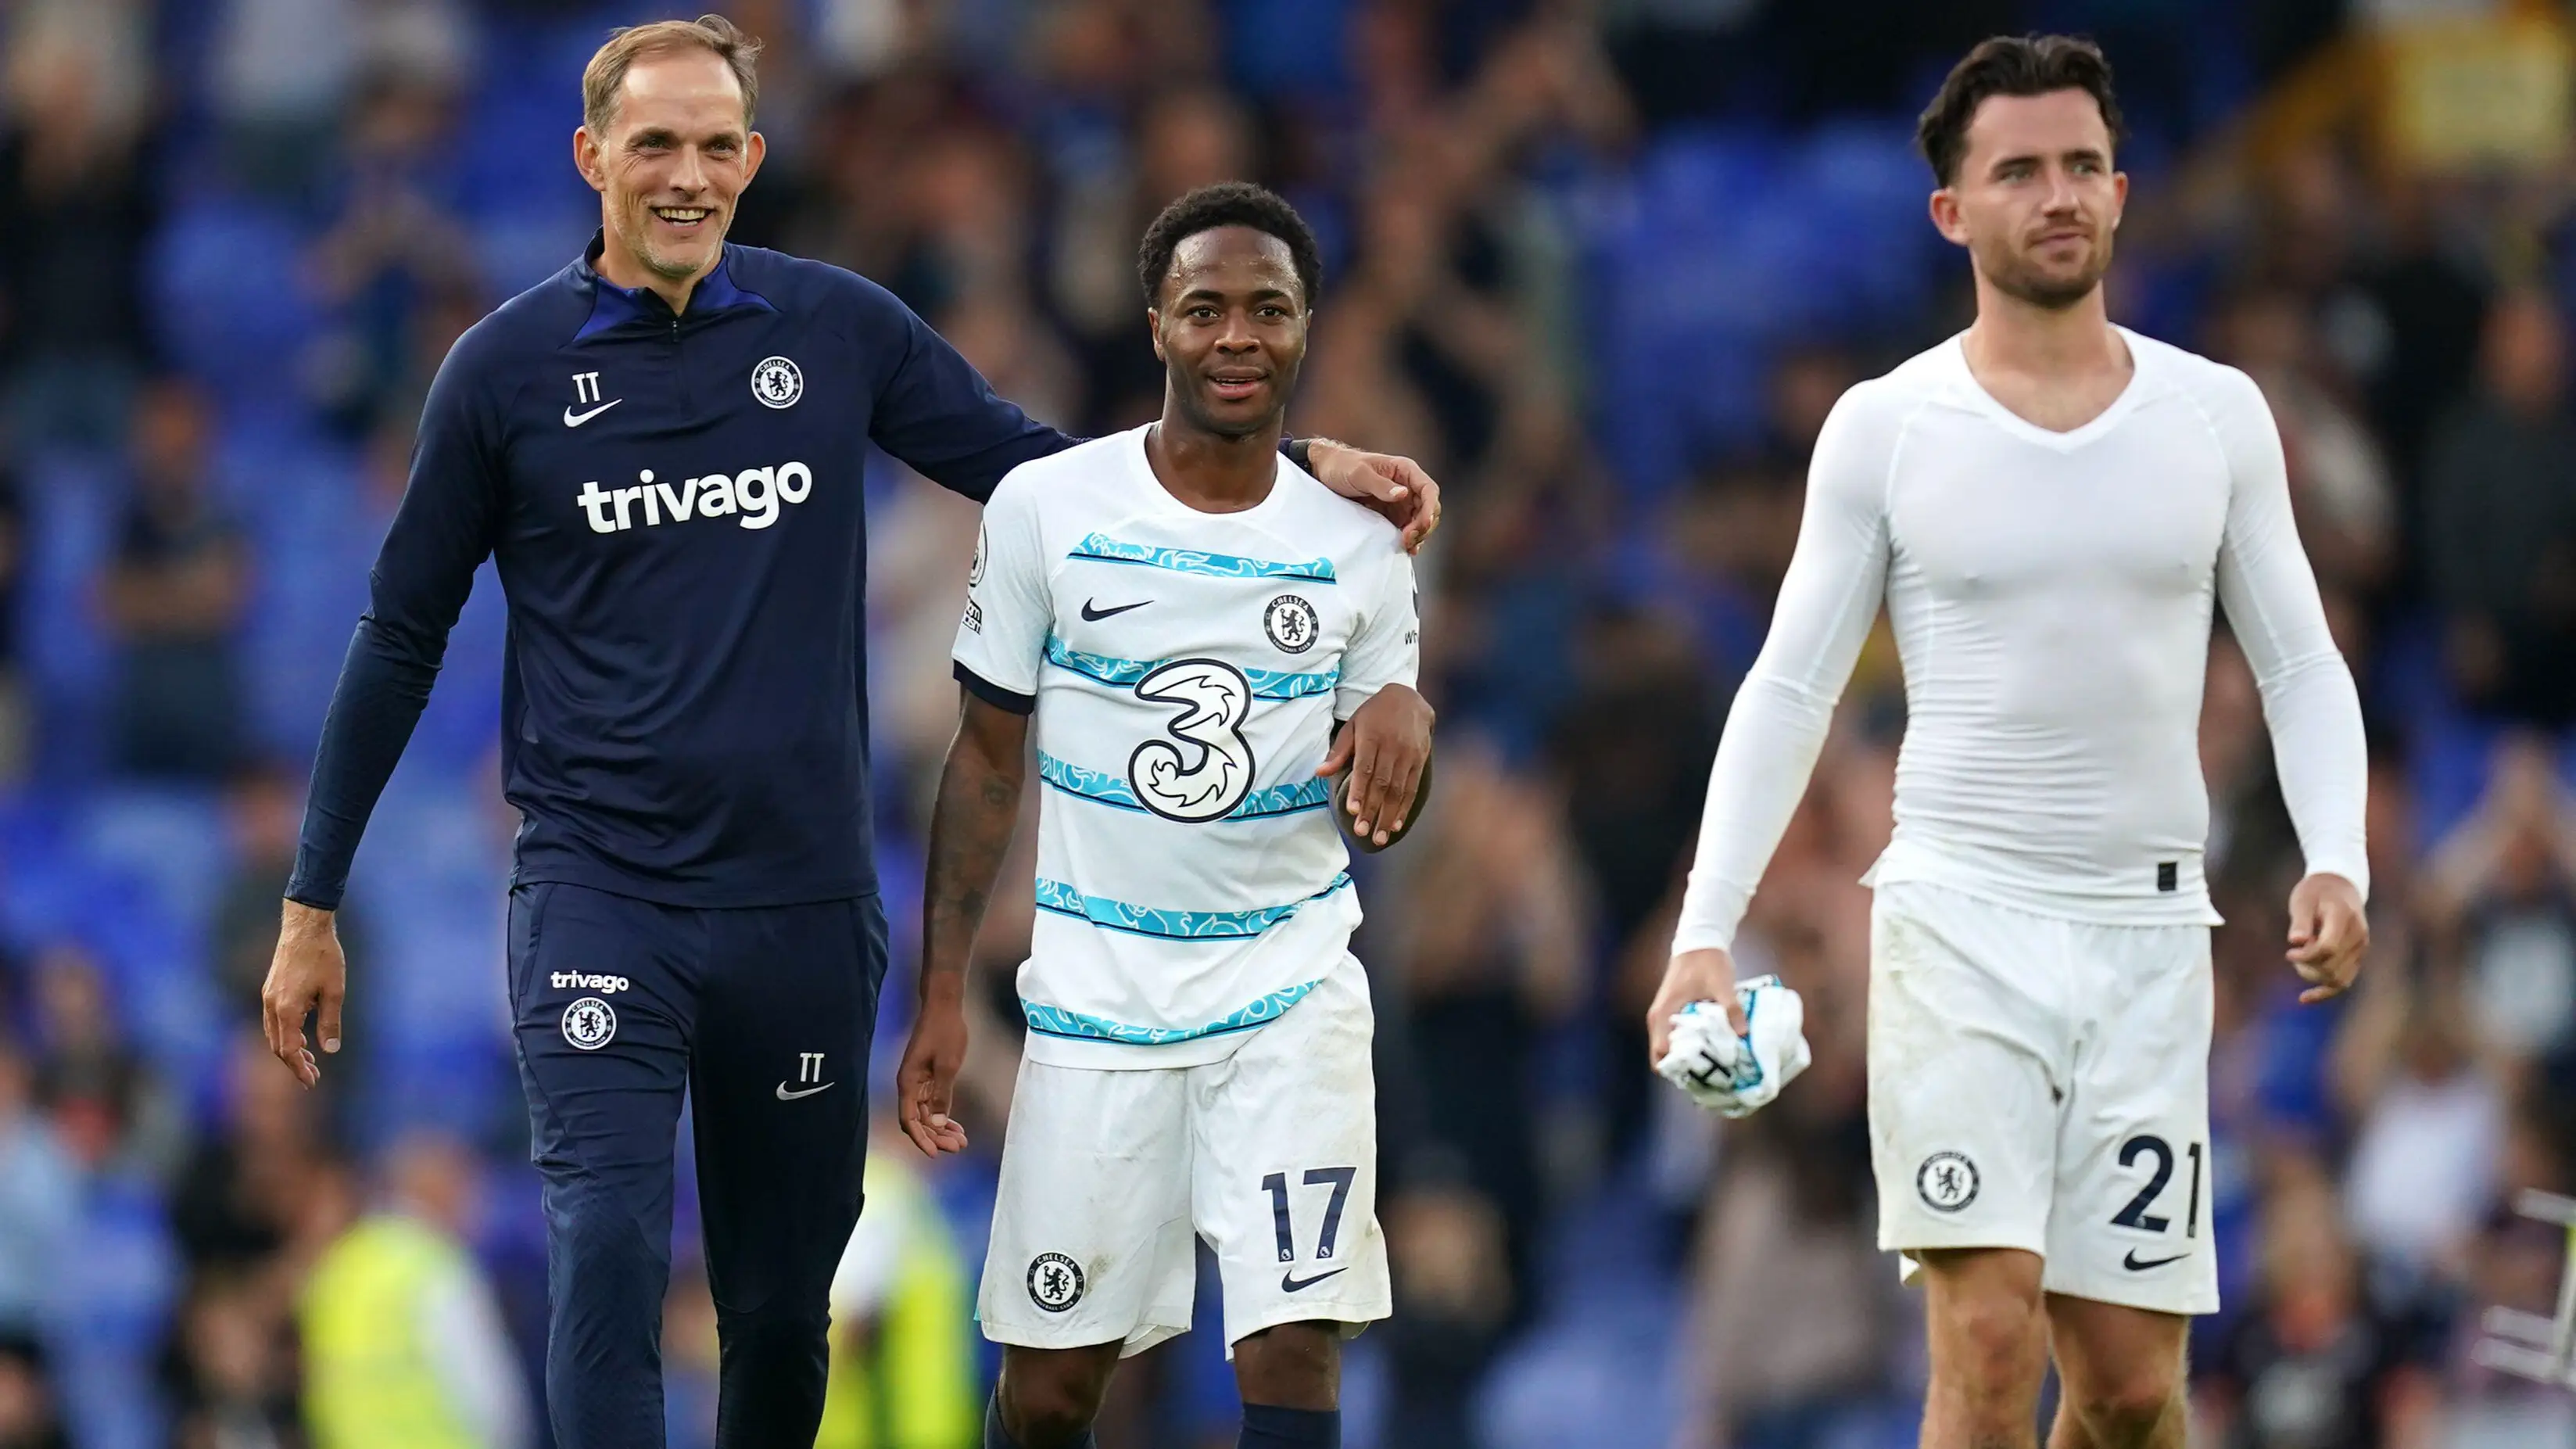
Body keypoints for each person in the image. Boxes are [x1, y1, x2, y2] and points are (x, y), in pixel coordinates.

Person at [254, 17, 1441, 1449]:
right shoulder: (503, 376)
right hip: (599, 893)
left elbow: (1051, 474)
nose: (685, 175)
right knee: (610, 1250)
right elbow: (398, 635)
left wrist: (1294, 463)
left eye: (713, 146)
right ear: (591, 159)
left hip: (802, 905)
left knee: (774, 1305)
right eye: (653, 145)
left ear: (751, 160)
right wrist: (313, 897)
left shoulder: (832, 328)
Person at [1643, 35, 2372, 1449]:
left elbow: (2295, 658)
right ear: (1951, 211)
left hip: (2149, 940)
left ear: (2121, 192)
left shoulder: (2214, 416)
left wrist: (2333, 855)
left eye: (2082, 166)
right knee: (1984, 1341)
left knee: (2120, 1388)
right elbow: (1788, 687)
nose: (2058, 195)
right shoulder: (1886, 427)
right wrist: (1703, 928)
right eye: (2020, 170)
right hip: (1958, 926)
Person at [894, 181, 1434, 1449]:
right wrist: (937, 995)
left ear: (1306, 326)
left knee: (1293, 1342)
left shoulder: (1362, 545)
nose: (1235, 336)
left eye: (1267, 309)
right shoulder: (1047, 509)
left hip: (1289, 986)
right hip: (1094, 996)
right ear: (1155, 326)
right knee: (1052, 1385)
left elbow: (1380, 809)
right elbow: (982, 761)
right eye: (1204, 309)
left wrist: (1406, 714)